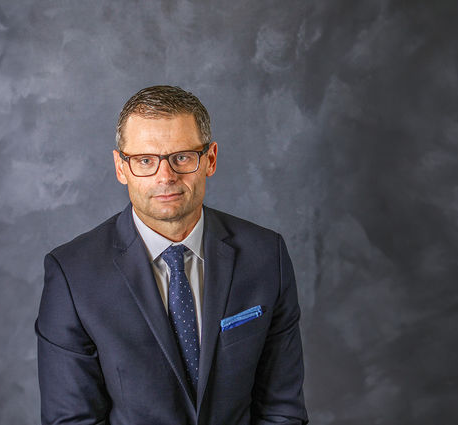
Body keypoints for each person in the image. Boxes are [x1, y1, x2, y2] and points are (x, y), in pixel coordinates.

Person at [35, 85, 308, 424]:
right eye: (145, 160)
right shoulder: (72, 275)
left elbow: (281, 408)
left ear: (209, 159)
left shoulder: (266, 255)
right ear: (121, 168)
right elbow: (71, 420)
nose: (165, 176)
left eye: (182, 157)